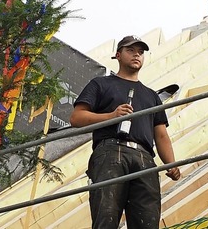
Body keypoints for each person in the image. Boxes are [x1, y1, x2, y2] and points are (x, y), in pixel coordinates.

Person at [70, 35, 181, 229]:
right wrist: (111, 116)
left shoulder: (151, 96)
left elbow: (161, 135)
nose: (137, 54)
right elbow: (77, 118)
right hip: (110, 152)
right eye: (131, 50)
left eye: (140, 52)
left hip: (145, 158)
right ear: (118, 55)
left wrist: (170, 163)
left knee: (147, 222)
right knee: (106, 217)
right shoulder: (101, 84)